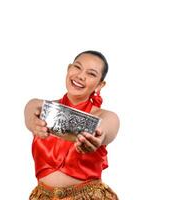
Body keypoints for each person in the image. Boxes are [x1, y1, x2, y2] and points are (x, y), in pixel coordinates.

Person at [24, 50, 120, 199]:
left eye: (91, 74)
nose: (81, 76)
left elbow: (106, 129)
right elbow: (31, 108)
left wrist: (97, 139)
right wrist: (32, 122)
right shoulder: (43, 109)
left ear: (100, 85)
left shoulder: (105, 117)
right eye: (77, 67)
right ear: (69, 69)